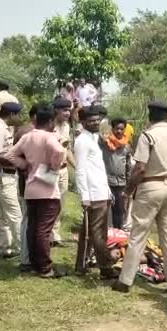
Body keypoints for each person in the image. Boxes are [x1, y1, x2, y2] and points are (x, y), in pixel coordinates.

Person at [112, 100, 167, 294]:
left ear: (150, 117)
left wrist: (128, 192)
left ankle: (125, 280)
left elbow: (139, 168)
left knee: (138, 234)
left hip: (151, 185)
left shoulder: (148, 136)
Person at [7, 105, 67, 279]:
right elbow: (59, 151)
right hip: (47, 190)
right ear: (49, 121)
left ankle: (34, 264)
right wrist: (54, 166)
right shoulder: (49, 137)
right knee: (43, 230)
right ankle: (45, 267)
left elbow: (10, 155)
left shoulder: (27, 137)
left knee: (33, 228)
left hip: (31, 188)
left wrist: (26, 166)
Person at [73, 106, 119, 279]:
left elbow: (98, 169)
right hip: (93, 195)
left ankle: (81, 265)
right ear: (83, 122)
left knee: (89, 233)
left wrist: (108, 192)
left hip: (101, 191)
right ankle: (106, 268)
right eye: (91, 120)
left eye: (97, 120)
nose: (95, 123)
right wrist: (85, 196)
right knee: (99, 233)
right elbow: (80, 171)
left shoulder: (93, 138)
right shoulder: (82, 141)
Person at [0, 102, 23, 258]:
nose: (20, 118)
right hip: (2, 175)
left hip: (6, 175)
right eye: (18, 115)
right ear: (12, 115)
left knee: (3, 215)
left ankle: (3, 247)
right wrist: (19, 162)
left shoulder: (4, 128)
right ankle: (25, 250)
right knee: (15, 214)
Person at [14, 104, 39, 272]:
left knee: (31, 220)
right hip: (30, 183)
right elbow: (13, 156)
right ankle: (26, 258)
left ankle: (30, 255)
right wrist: (27, 169)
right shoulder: (28, 133)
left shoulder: (25, 131)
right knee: (28, 220)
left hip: (30, 182)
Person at [50, 97, 74, 248]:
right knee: (49, 203)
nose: (67, 113)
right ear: (57, 111)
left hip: (63, 169)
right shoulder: (48, 125)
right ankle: (47, 234)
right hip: (50, 170)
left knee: (60, 204)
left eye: (69, 110)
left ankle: (55, 235)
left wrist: (77, 167)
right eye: (65, 110)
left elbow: (68, 149)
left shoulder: (67, 126)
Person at [101, 117, 132, 230]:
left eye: (121, 129)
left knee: (119, 211)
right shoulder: (105, 144)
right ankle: (103, 236)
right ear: (112, 129)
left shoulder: (126, 146)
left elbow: (128, 166)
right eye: (116, 129)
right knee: (104, 211)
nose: (119, 131)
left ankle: (118, 234)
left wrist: (129, 184)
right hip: (106, 182)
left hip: (121, 184)